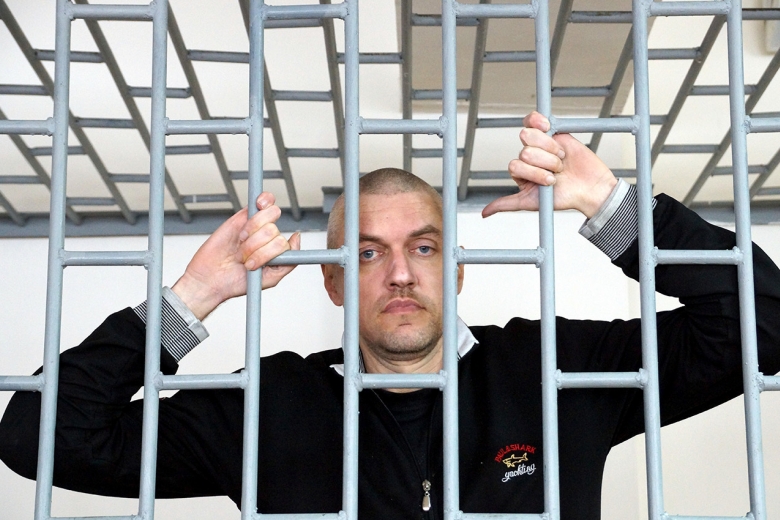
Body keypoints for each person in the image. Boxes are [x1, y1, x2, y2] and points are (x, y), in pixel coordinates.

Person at [2, 112, 780, 519]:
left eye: (424, 247)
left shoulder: (553, 373)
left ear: (458, 270)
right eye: (368, 253)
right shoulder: (265, 409)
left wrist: (611, 206)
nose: (401, 273)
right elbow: (38, 436)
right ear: (334, 283)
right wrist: (194, 296)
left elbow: (763, 324)